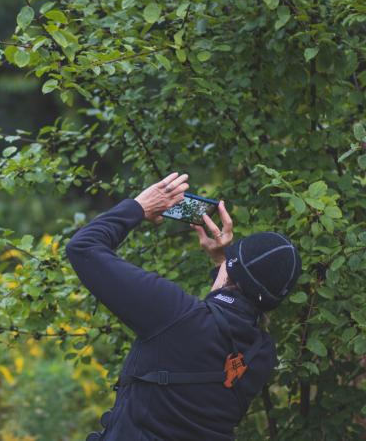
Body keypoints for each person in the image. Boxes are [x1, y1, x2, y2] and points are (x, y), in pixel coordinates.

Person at [66, 172, 302, 441]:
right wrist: (222, 265)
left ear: (232, 269)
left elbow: (83, 248)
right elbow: (227, 317)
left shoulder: (175, 316)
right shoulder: (261, 354)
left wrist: (139, 207)